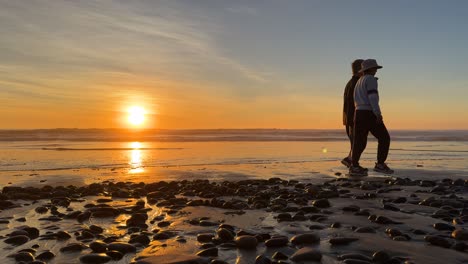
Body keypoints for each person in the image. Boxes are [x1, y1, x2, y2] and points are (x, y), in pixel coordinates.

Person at [349, 59, 394, 176]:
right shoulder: (371, 80)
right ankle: (380, 164)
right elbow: (373, 97)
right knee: (384, 138)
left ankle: (354, 166)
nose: (376, 71)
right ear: (371, 69)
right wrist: (377, 113)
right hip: (368, 112)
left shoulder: (359, 81)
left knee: (359, 141)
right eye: (375, 68)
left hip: (358, 113)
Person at [341, 59, 364, 168]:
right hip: (353, 117)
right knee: (358, 142)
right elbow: (353, 103)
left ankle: (352, 162)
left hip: (349, 117)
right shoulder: (356, 83)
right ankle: (352, 162)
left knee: (356, 142)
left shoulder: (351, 82)